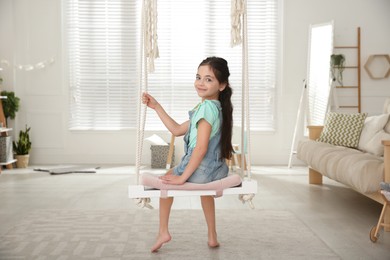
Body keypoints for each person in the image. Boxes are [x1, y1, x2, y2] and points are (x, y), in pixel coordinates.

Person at [142, 56, 233, 252]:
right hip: (216, 169)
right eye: (198, 77)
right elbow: (176, 129)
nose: (201, 83)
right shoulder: (213, 107)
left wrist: (182, 177)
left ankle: (163, 231)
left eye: (208, 79)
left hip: (201, 169)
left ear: (222, 85)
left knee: (166, 180)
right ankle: (212, 235)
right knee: (205, 190)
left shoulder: (206, 109)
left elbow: (200, 149)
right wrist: (156, 106)